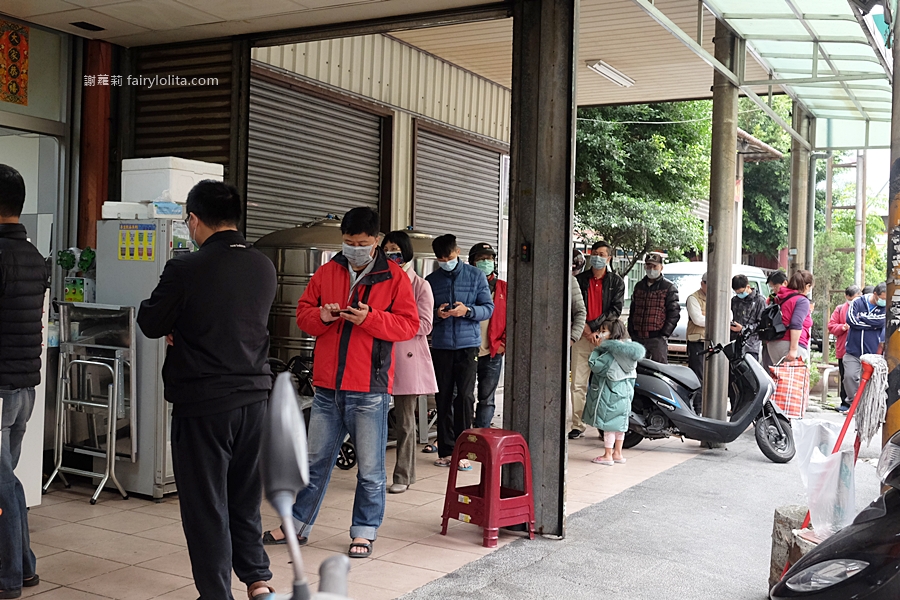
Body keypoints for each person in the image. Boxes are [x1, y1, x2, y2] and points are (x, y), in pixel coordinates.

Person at [137, 180, 277, 599]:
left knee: (206, 505)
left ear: (194, 219)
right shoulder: (262, 265)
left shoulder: (187, 267)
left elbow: (150, 321)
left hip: (204, 402)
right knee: (244, 496)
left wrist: (179, 325)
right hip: (254, 398)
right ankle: (258, 581)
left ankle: (216, 594)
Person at [264, 208, 419, 558]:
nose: (354, 249)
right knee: (314, 463)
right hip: (326, 387)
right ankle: (297, 526)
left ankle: (364, 530)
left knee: (370, 468)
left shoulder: (394, 278)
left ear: (376, 241)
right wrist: (321, 315)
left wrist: (370, 318)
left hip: (369, 388)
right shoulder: (327, 271)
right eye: (348, 243)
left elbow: (408, 326)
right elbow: (304, 314)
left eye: (362, 244)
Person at [0, 165, 48, 600]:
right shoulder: (34, 255)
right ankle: (26, 567)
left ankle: (9, 577)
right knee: (6, 478)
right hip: (24, 388)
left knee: (3, 483)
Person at [426, 234, 494, 469]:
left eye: (450, 256)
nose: (447, 260)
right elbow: (423, 315)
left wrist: (467, 311)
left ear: (458, 251)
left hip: (468, 346)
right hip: (442, 346)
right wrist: (438, 314)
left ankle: (465, 450)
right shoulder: (431, 280)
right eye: (442, 258)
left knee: (465, 397)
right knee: (443, 396)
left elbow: (488, 309)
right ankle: (446, 450)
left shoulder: (476, 276)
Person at [381, 231, 438, 494]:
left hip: (407, 357)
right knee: (375, 419)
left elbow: (425, 325)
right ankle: (374, 474)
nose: (391, 254)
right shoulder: (379, 280)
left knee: (404, 422)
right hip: (379, 355)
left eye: (396, 250)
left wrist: (392, 321)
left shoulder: (420, 285)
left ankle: (403, 475)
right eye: (387, 249)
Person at [570, 241, 625, 439]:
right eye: (595, 253)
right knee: (578, 383)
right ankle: (578, 424)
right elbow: (573, 308)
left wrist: (598, 330)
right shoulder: (579, 280)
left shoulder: (616, 282)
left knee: (606, 383)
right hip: (582, 336)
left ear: (609, 258)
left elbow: (615, 310)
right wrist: (586, 330)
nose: (598, 257)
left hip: (605, 337)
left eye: (602, 254)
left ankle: (604, 425)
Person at [582, 319, 645, 466]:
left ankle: (607, 455)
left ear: (613, 335)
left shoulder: (609, 355)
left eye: (604, 331)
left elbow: (594, 364)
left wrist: (597, 348)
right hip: (625, 395)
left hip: (610, 394)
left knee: (609, 426)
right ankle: (618, 453)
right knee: (620, 425)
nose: (600, 334)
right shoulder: (630, 354)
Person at [470, 242, 507, 429]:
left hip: (492, 351)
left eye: (490, 258)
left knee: (487, 398)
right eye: (481, 259)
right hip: (467, 350)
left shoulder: (503, 288)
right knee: (464, 395)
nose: (486, 262)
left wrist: (504, 344)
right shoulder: (467, 284)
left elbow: (514, 318)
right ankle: (463, 435)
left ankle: (480, 434)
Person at [627, 252, 679, 363]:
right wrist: (632, 331)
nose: (651, 269)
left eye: (654, 266)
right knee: (638, 369)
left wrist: (664, 334)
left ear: (661, 267)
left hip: (657, 338)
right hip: (638, 337)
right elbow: (633, 309)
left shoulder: (668, 287)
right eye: (648, 266)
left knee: (659, 370)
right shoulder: (639, 286)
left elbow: (674, 313)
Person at [843, 282, 887, 403]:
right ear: (875, 294)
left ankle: (866, 404)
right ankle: (855, 402)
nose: (884, 301)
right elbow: (851, 320)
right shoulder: (857, 302)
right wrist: (872, 325)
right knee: (849, 377)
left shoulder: (885, 307)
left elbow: (882, 321)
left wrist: (861, 318)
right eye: (882, 298)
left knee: (872, 383)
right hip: (853, 351)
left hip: (873, 354)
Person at [766, 269, 814, 365]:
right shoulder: (802, 300)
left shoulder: (779, 297)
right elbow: (796, 323)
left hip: (773, 344)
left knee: (780, 378)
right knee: (795, 379)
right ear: (807, 286)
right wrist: (793, 349)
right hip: (790, 344)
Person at [827, 285, 861, 412]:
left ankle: (858, 404)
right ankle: (845, 403)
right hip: (844, 349)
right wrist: (843, 327)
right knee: (844, 377)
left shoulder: (863, 308)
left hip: (860, 349)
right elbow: (831, 326)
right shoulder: (840, 309)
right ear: (847, 297)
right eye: (852, 298)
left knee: (857, 377)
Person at [730, 274, 767, 361]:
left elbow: (761, 324)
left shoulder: (759, 301)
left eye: (741, 292)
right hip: (735, 343)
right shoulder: (734, 300)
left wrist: (743, 329)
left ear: (748, 287)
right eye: (737, 293)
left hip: (751, 345)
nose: (739, 295)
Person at [685, 273, 708, 385]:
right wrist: (717, 320)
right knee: (698, 377)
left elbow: (729, 317)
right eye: (708, 284)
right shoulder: (693, 298)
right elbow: (697, 319)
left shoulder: (719, 297)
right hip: (697, 343)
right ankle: (697, 403)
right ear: (702, 283)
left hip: (714, 342)